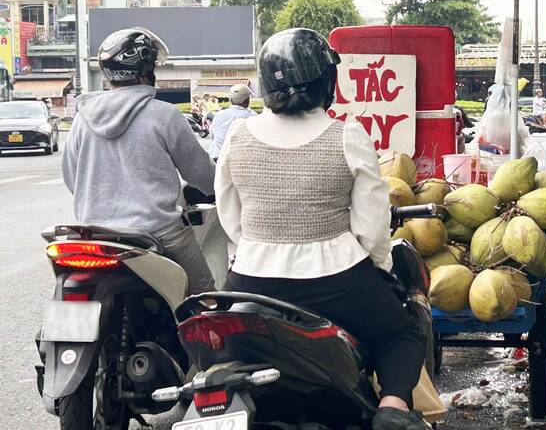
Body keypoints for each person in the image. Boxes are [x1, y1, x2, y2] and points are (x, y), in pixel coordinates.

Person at [215, 28, 428, 430]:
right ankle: (394, 407)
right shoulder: (346, 135)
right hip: (336, 280)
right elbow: (373, 226)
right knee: (402, 334)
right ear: (326, 83)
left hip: (250, 280)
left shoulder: (237, 136)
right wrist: (376, 270)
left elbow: (230, 213)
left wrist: (260, 245)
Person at [62, 27, 217, 295]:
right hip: (158, 233)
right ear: (147, 70)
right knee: (205, 299)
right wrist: (218, 186)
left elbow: (71, 178)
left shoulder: (82, 119)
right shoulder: (165, 116)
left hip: (95, 234)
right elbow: (200, 173)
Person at [207, 84, 256, 160]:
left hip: (216, 158)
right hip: (240, 160)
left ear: (230, 100)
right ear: (246, 101)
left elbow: (212, 135)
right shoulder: (252, 116)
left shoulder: (219, 114)